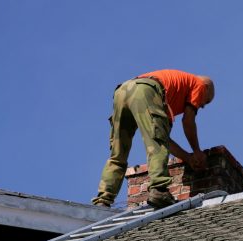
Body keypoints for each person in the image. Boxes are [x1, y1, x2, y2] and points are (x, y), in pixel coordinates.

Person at [91, 69, 215, 209]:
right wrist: (197, 151)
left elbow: (165, 140)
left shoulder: (168, 100)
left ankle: (103, 200)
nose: (203, 106)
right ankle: (159, 190)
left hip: (123, 91)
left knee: (118, 153)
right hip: (146, 90)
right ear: (207, 89)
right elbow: (188, 121)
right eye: (207, 101)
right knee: (156, 144)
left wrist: (187, 157)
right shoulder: (199, 84)